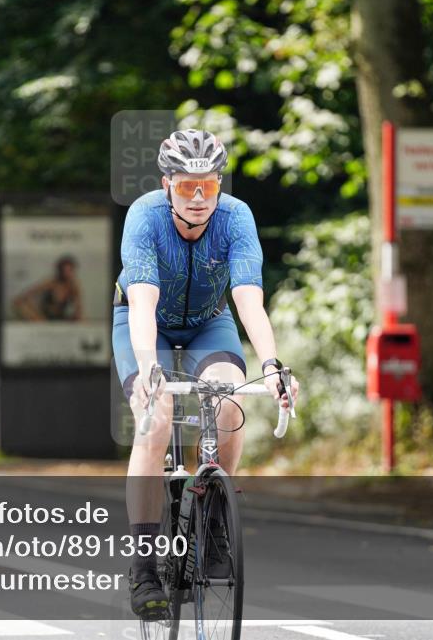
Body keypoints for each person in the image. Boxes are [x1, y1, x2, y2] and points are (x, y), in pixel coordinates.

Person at [114, 128, 300, 618]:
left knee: (230, 402)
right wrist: (150, 368)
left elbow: (249, 300)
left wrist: (271, 365)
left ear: (220, 184)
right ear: (166, 184)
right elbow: (143, 304)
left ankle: (215, 525)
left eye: (209, 186)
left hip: (208, 322)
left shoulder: (236, 217)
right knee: (157, 416)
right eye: (185, 186)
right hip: (144, 323)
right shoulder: (145, 216)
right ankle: (144, 568)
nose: (198, 197)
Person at [13, 255, 83, 321]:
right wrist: (32, 308)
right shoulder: (50, 283)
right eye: (64, 270)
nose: (66, 274)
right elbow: (24, 296)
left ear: (73, 271)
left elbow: (78, 308)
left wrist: (77, 316)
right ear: (59, 270)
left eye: (69, 270)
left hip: (60, 318)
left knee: (80, 319)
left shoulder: (73, 287)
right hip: (43, 318)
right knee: (20, 305)